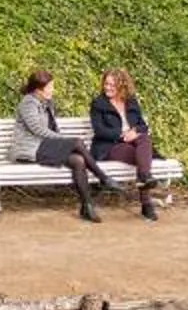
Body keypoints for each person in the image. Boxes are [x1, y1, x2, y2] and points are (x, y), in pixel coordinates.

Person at [11, 69, 118, 223]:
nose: (52, 90)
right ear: (38, 90)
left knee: (78, 161)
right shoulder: (28, 103)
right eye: (49, 87)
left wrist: (62, 142)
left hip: (44, 147)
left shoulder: (46, 102)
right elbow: (38, 129)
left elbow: (51, 128)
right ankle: (104, 178)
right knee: (76, 142)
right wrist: (64, 140)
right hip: (29, 150)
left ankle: (87, 207)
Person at [89, 69, 161, 221]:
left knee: (144, 139)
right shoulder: (98, 103)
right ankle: (146, 202)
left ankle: (144, 177)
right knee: (142, 157)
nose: (107, 87)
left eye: (112, 85)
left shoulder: (131, 102)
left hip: (134, 141)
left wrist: (135, 132)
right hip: (110, 146)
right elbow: (99, 130)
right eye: (106, 84)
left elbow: (143, 126)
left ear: (122, 86)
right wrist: (122, 135)